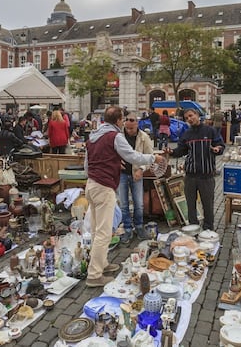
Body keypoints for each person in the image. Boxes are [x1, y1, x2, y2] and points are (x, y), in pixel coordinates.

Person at [84, 106, 164, 287]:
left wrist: (103, 170)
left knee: (97, 230)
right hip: (104, 187)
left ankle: (102, 264)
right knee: (104, 232)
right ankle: (94, 275)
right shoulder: (115, 136)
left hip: (92, 184)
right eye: (123, 119)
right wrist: (152, 158)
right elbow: (132, 156)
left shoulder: (93, 136)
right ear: (119, 120)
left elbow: (87, 166)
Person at [166, 108, 225, 231]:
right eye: (187, 118)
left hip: (206, 175)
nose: (189, 119)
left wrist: (217, 149)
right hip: (190, 176)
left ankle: (208, 230)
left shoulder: (210, 131)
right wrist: (171, 152)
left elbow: (221, 145)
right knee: (190, 205)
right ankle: (193, 229)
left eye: (191, 116)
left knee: (207, 205)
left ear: (197, 115)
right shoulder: (187, 134)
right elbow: (180, 151)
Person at [118, 110, 154, 244]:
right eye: (127, 128)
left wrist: (141, 169)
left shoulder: (144, 137)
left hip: (136, 173)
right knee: (123, 204)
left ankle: (139, 227)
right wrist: (116, 162)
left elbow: (150, 156)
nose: (129, 130)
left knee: (139, 204)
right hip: (121, 174)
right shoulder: (119, 136)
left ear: (137, 124)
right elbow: (112, 152)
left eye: (132, 128)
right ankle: (127, 229)